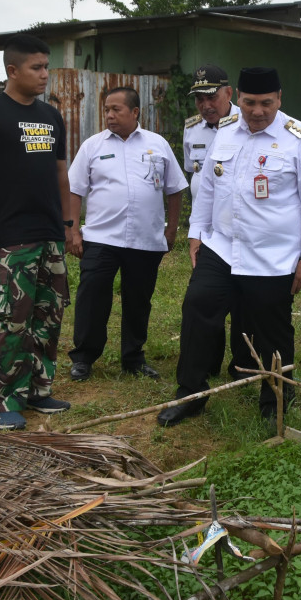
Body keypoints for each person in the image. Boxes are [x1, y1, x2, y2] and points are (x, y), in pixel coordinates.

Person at [158, 66, 301, 428]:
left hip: (273, 255)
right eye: (250, 102)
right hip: (221, 246)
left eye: (266, 103)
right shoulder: (224, 133)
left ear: (279, 99)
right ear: (238, 97)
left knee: (272, 330)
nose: (257, 111)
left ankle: (276, 400)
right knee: (198, 306)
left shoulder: (299, 138)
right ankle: (191, 394)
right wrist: (196, 233)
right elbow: (206, 187)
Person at [0, 34, 75, 431]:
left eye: (46, 66)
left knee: (49, 314)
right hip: (11, 235)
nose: (45, 74)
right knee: (12, 317)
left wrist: (68, 224)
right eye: (36, 68)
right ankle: (4, 398)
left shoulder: (51, 116)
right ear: (13, 70)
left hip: (49, 233)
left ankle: (38, 390)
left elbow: (61, 172)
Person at [65, 86, 188, 381]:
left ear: (135, 112)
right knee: (92, 297)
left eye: (116, 109)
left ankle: (133, 358)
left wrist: (171, 229)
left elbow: (175, 189)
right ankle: (84, 357)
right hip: (100, 238)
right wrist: (72, 232)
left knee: (138, 300)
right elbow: (74, 190)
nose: (109, 115)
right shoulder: (93, 146)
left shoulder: (158, 144)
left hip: (145, 239)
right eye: (107, 109)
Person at [181, 64, 254, 380]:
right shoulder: (192, 128)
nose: (205, 105)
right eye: (199, 99)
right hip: (206, 229)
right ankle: (205, 363)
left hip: (239, 227)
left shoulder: (248, 122)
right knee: (205, 299)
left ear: (229, 93)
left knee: (243, 299)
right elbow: (194, 173)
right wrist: (195, 230)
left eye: (211, 96)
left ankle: (243, 364)